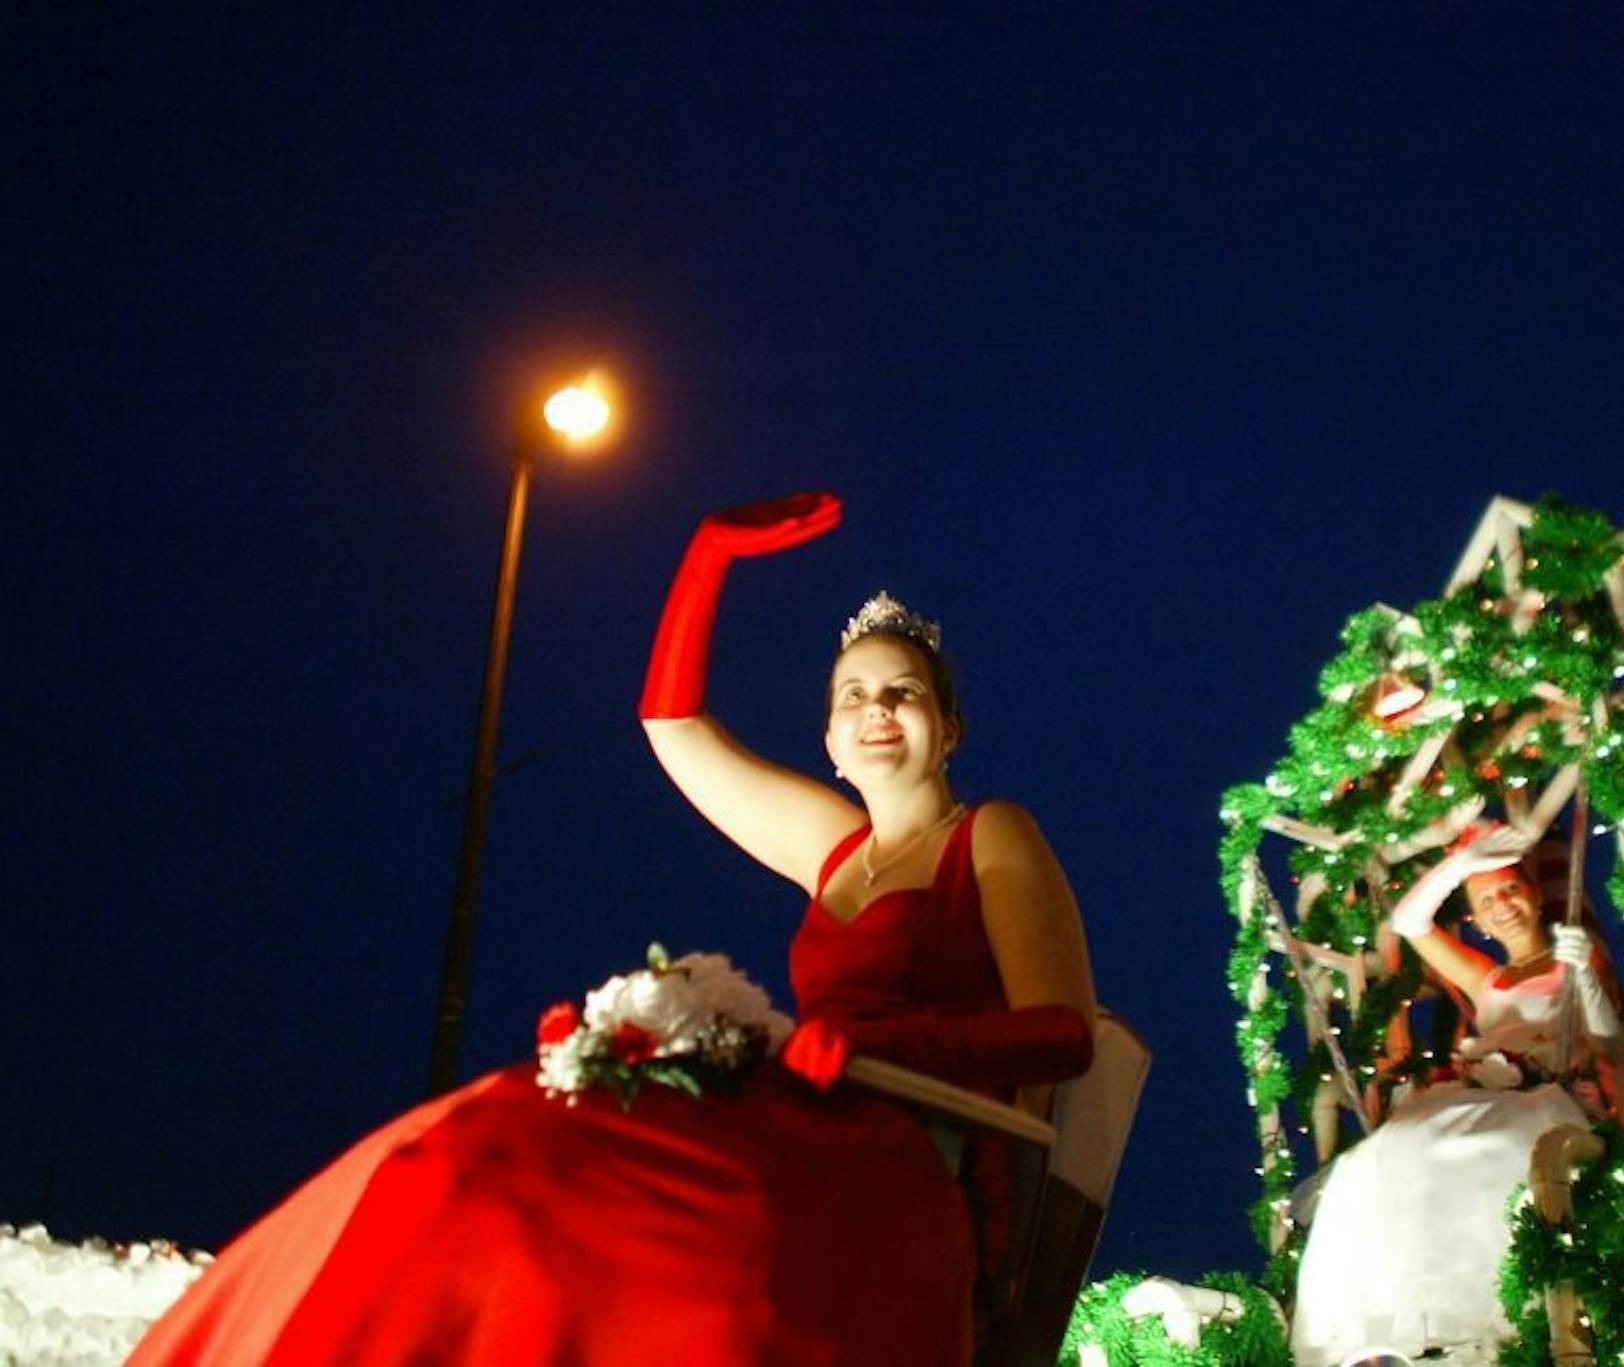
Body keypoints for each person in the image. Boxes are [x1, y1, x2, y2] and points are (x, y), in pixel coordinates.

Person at [131, 492, 1096, 1366]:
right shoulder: (835, 847)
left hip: (922, 1158)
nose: (877, 708)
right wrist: (709, 555)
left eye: (904, 692)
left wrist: (875, 1046)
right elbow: (671, 721)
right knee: (512, 1134)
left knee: (662, 1212)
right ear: (831, 742)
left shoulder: (990, 833)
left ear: (950, 729)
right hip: (817, 1117)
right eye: (854, 696)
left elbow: (1066, 1032)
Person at [1289, 823, 1624, 1367]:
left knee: (1498, 1147)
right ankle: (1383, 1316)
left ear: (1532, 895)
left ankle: (1500, 1311)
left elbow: (1604, 1034)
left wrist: (1583, 974)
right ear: (1478, 922)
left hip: (1551, 1092)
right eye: (1487, 901)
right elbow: (1410, 922)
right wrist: (1463, 864)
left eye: (1510, 890)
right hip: (1479, 1091)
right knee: (1377, 1158)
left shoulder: (1573, 953)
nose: (1502, 905)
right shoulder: (1489, 978)